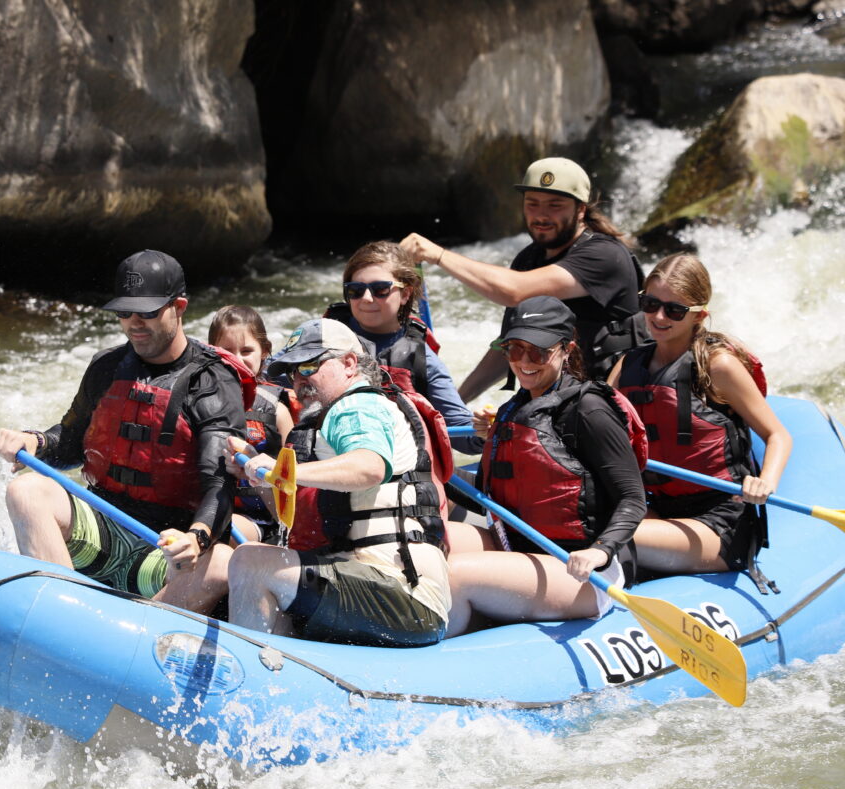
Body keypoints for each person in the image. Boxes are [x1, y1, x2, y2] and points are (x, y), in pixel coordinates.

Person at [0, 250, 251, 614]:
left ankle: (133, 634)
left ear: (179, 306)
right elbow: (70, 443)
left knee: (222, 562)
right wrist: (33, 441)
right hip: (104, 532)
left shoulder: (211, 382)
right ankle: (65, 614)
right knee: (26, 490)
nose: (133, 323)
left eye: (146, 312)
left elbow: (220, 482)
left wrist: (197, 538)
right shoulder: (107, 367)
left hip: (166, 550)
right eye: (123, 313)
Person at [225, 319, 452, 647]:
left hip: (402, 592)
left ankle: (246, 682)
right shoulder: (327, 422)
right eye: (293, 371)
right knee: (265, 561)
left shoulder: (357, 405)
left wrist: (282, 470)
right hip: (365, 581)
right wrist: (258, 475)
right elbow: (290, 516)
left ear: (348, 363)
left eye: (309, 365)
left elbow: (370, 467)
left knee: (250, 562)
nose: (300, 379)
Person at [445, 296, 647, 638]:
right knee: (419, 541)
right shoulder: (516, 407)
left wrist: (599, 552)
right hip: (516, 546)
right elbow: (488, 499)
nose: (524, 362)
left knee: (455, 573)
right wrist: (433, 463)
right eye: (514, 349)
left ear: (566, 349)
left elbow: (633, 498)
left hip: (580, 569)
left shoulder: (590, 410)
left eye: (537, 352)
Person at [399, 157, 649, 401]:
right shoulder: (528, 259)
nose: (541, 215)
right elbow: (507, 347)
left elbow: (514, 291)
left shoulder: (604, 255)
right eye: (533, 204)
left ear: (580, 210)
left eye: (555, 205)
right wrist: (456, 403)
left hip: (611, 403)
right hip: (558, 402)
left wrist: (439, 255)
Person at [609, 254, 791, 581]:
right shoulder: (628, 366)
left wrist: (766, 482)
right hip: (658, 508)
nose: (659, 316)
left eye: (674, 310)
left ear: (699, 315)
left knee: (612, 535)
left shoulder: (718, 367)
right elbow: (590, 429)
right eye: (650, 304)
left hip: (721, 521)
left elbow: (778, 435)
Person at [323, 240, 477, 451]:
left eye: (380, 289)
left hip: (395, 470)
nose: (366, 298)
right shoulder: (320, 335)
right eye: (356, 290)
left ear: (405, 294)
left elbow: (461, 434)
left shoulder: (422, 359)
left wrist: (486, 430)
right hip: (325, 459)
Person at [208, 304, 295, 543]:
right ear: (210, 352)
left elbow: (294, 484)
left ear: (264, 352)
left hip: (260, 520)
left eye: (246, 351)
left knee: (220, 526)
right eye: (226, 351)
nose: (236, 360)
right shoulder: (197, 400)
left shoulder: (277, 412)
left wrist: (254, 473)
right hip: (205, 507)